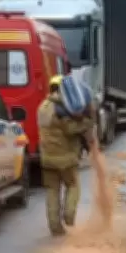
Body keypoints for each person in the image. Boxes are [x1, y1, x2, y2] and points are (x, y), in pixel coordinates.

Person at [37, 76, 96, 236]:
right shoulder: (62, 109)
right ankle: (69, 216)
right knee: (73, 186)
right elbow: (70, 129)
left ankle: (55, 227)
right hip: (65, 158)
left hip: (47, 157)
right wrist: (87, 123)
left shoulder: (43, 107)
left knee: (52, 191)